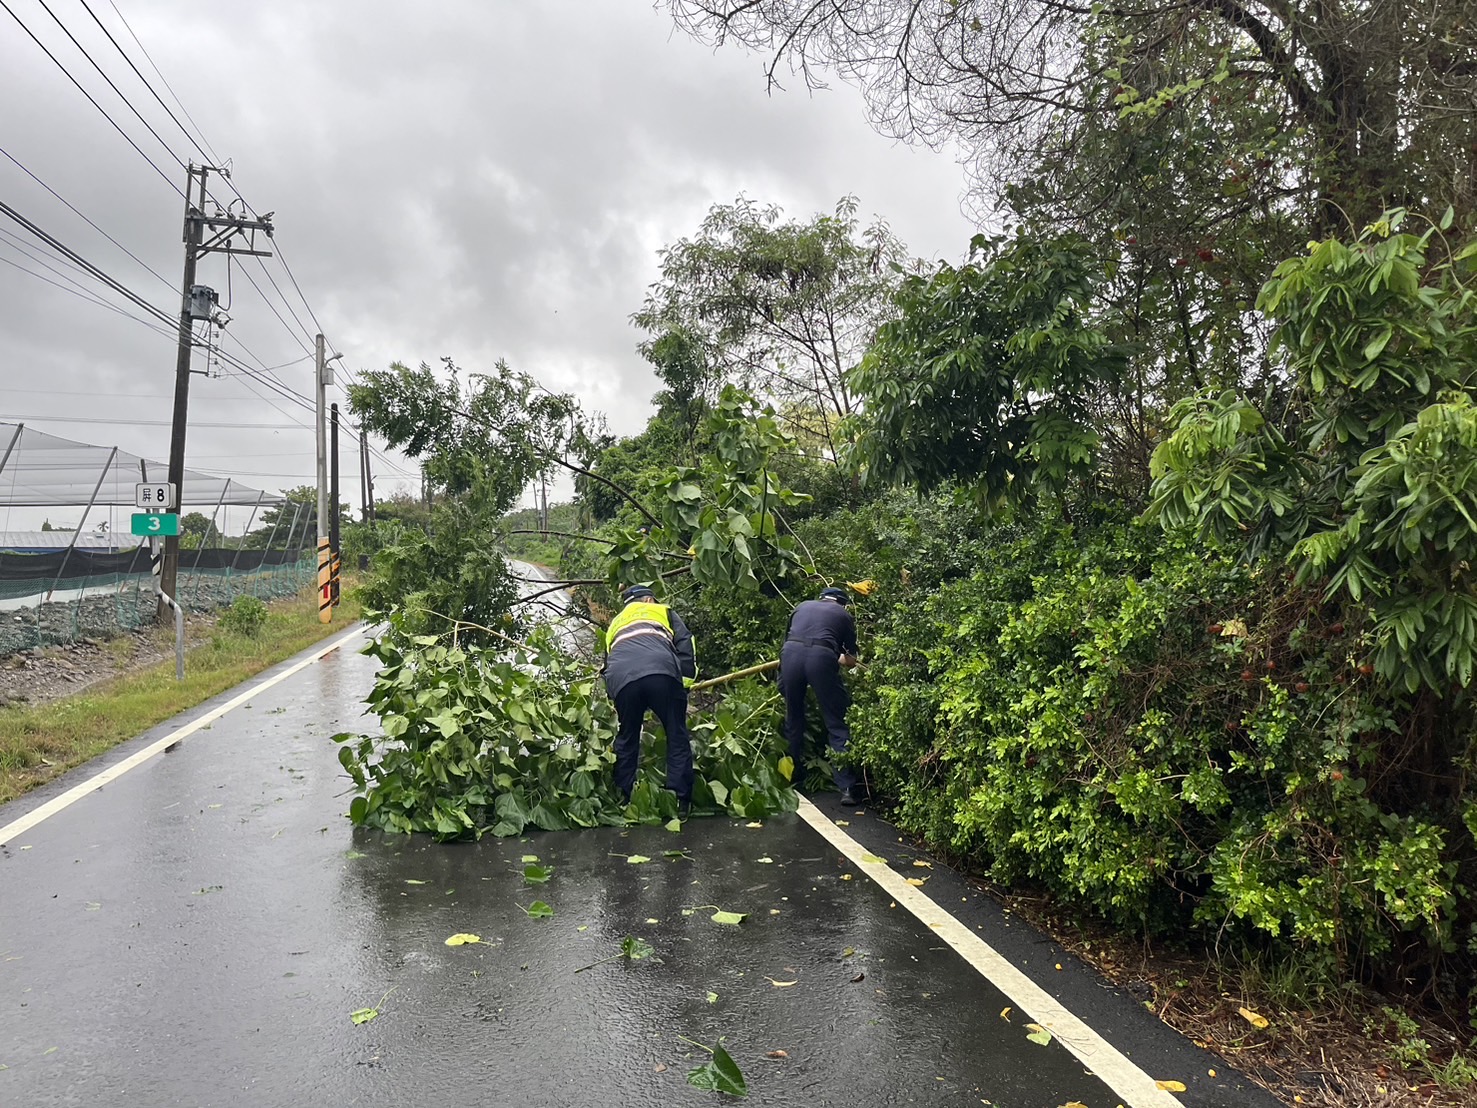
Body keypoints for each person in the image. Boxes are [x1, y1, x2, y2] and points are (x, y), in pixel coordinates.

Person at [602, 584, 696, 814]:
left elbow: (607, 664)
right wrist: (684, 684)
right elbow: (685, 646)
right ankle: (678, 800)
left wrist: (615, 696)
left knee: (627, 736)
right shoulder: (663, 611)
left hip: (622, 680)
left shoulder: (616, 623)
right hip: (661, 671)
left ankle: (623, 797)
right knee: (676, 733)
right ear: (648, 601)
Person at [780, 586, 864, 805]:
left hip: (789, 655)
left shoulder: (801, 607)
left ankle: (791, 777)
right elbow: (851, 660)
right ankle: (846, 787)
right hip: (821, 658)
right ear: (842, 603)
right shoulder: (843, 614)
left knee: (793, 717)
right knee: (837, 721)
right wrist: (830, 655)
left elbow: (788, 640)